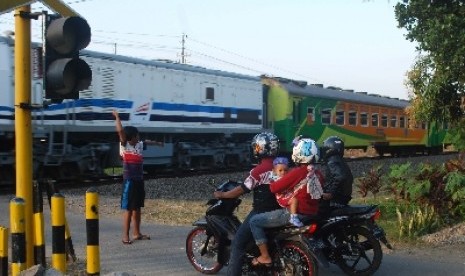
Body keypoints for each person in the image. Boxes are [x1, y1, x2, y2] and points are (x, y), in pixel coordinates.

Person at [213, 132, 281, 276]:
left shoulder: (259, 170)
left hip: (262, 211)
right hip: (280, 209)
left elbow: (242, 190)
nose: (255, 150)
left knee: (238, 242)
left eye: (256, 147)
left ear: (261, 149)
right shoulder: (282, 166)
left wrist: (223, 194)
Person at [248, 137, 324, 267]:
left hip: (296, 213)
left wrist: (275, 178)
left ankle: (265, 256)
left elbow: (274, 188)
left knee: (254, 221)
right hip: (312, 214)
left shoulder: (298, 172)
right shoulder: (318, 173)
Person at [112, 110, 164, 245]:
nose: (139, 138)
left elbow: (147, 142)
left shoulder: (139, 145)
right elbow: (120, 132)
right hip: (129, 181)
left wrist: (158, 143)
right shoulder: (125, 145)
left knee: (137, 208)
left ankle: (136, 233)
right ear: (131, 137)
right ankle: (125, 236)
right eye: (137, 136)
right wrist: (117, 117)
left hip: (139, 180)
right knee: (128, 209)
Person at [319, 135, 353, 217]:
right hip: (343, 196)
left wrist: (331, 192)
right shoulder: (339, 160)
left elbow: (340, 176)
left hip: (336, 198)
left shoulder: (333, 161)